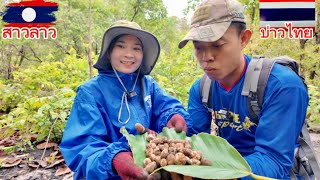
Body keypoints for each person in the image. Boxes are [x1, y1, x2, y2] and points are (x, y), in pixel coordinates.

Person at [179, 0, 309, 179]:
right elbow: (193, 141)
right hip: (223, 168)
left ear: (243, 39)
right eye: (198, 47)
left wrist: (210, 171)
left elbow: (273, 161)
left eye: (217, 45)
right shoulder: (201, 89)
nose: (206, 57)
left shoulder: (282, 86)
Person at [59, 20, 189, 180]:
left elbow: (166, 107)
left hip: (150, 169)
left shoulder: (148, 84)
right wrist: (114, 159)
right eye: (121, 46)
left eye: (136, 48)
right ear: (109, 52)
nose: (129, 54)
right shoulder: (90, 92)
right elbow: (82, 147)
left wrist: (173, 116)